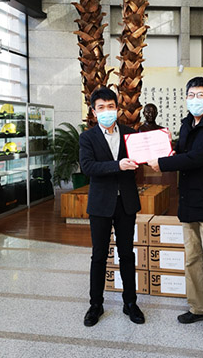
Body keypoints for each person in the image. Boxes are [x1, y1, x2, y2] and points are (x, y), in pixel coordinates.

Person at [147, 76, 203, 348]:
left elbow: (200, 157)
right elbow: (181, 153)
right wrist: (160, 151)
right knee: (193, 259)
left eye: (200, 95)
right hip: (188, 201)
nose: (195, 99)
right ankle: (199, 308)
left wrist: (163, 163)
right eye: (191, 95)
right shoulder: (186, 124)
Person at [79, 86, 145, 327]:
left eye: (110, 106)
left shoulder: (130, 134)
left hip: (126, 202)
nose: (106, 111)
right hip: (100, 204)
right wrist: (117, 165)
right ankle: (95, 304)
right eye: (101, 108)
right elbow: (88, 167)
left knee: (126, 254)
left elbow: (141, 159)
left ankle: (130, 303)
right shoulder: (87, 138)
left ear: (117, 109)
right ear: (93, 112)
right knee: (99, 255)